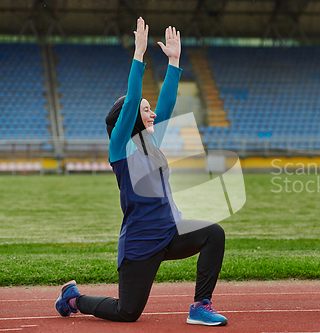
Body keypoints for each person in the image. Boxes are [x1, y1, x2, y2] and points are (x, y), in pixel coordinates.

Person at [55, 17, 227, 326]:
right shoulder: (120, 148)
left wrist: (174, 61)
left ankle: (200, 306)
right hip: (140, 243)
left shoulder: (151, 142)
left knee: (214, 234)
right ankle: (73, 298)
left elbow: (168, 103)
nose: (153, 112)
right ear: (130, 116)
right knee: (128, 312)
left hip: (170, 232)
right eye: (146, 110)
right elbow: (133, 98)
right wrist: (139, 54)